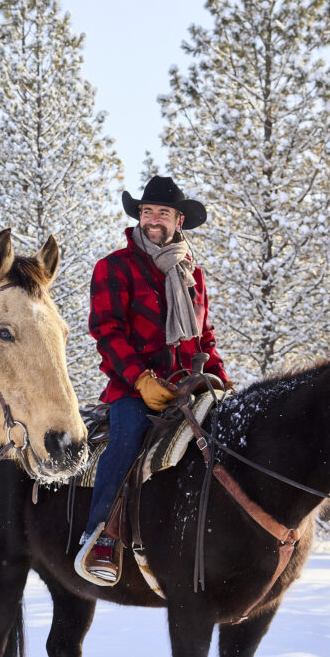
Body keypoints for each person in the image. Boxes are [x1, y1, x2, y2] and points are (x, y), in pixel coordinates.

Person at [75, 176, 229, 586]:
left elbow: (204, 339)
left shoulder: (191, 274)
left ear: (179, 220)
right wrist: (140, 379)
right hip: (133, 389)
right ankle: (101, 535)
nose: (153, 220)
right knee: (128, 437)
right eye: (147, 212)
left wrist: (224, 386)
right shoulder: (115, 267)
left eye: (162, 213)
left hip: (190, 386)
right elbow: (106, 331)